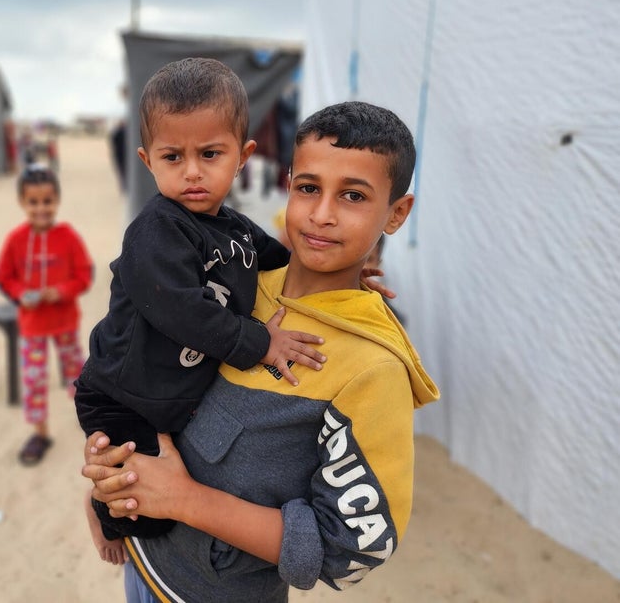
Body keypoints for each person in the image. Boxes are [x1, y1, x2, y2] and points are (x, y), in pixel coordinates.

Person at [83, 101, 441, 602]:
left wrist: (185, 500)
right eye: (309, 188)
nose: (322, 214)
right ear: (288, 185)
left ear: (396, 213)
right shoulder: (226, 284)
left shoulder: (371, 367)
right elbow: (139, 375)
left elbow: (348, 548)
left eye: (354, 196)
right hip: (144, 563)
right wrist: (109, 472)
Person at [74, 58, 329, 562]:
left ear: (243, 156)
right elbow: (182, 311)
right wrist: (262, 342)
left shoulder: (236, 229)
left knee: (174, 487)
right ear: (148, 161)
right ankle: (98, 510)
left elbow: (278, 265)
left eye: (210, 154)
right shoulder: (155, 230)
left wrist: (329, 270)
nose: (192, 172)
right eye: (173, 157)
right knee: (142, 511)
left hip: (175, 396)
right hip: (122, 397)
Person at [0, 165, 93, 466]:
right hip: (32, 325)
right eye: (33, 202)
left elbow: (84, 274)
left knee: (77, 374)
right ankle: (40, 433)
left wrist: (61, 291)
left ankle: (91, 422)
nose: (41, 209)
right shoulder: (15, 240)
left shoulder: (68, 237)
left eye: (47, 201)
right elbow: (3, 277)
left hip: (64, 322)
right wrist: (20, 294)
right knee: (35, 381)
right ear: (22, 203)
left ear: (57, 201)